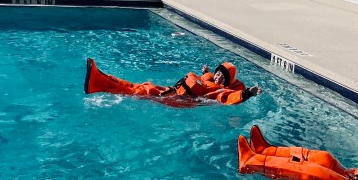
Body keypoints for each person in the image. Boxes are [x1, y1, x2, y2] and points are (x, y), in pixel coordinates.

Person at [85, 58, 261, 107]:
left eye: (222, 77)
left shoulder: (221, 92)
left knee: (145, 92)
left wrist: (248, 93)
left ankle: (99, 84)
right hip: (175, 92)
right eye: (217, 74)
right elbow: (206, 79)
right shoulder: (209, 79)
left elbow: (231, 98)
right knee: (145, 86)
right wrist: (205, 73)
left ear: (227, 81)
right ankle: (102, 78)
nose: (217, 78)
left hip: (183, 101)